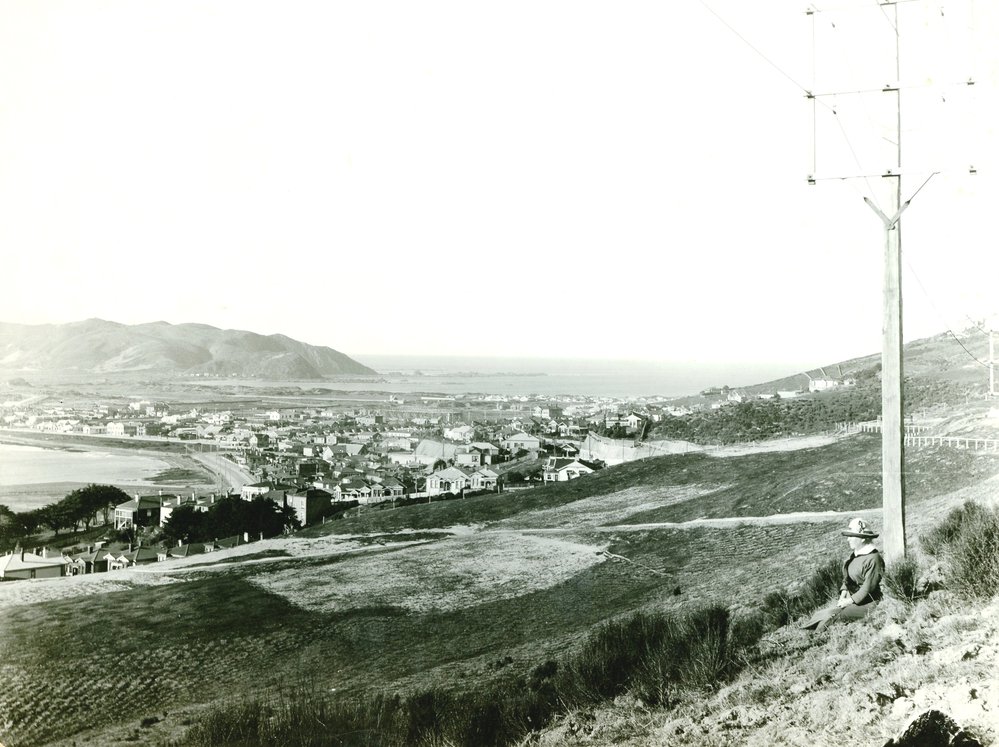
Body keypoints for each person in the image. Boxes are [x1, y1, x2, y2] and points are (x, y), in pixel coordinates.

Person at [801, 517, 886, 632]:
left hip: (869, 603)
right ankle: (804, 633)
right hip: (853, 601)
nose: (848, 540)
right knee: (821, 614)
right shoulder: (855, 556)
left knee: (832, 618)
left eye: (851, 536)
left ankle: (816, 639)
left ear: (862, 539)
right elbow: (847, 580)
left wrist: (849, 601)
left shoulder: (874, 559)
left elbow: (868, 588)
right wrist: (843, 597)